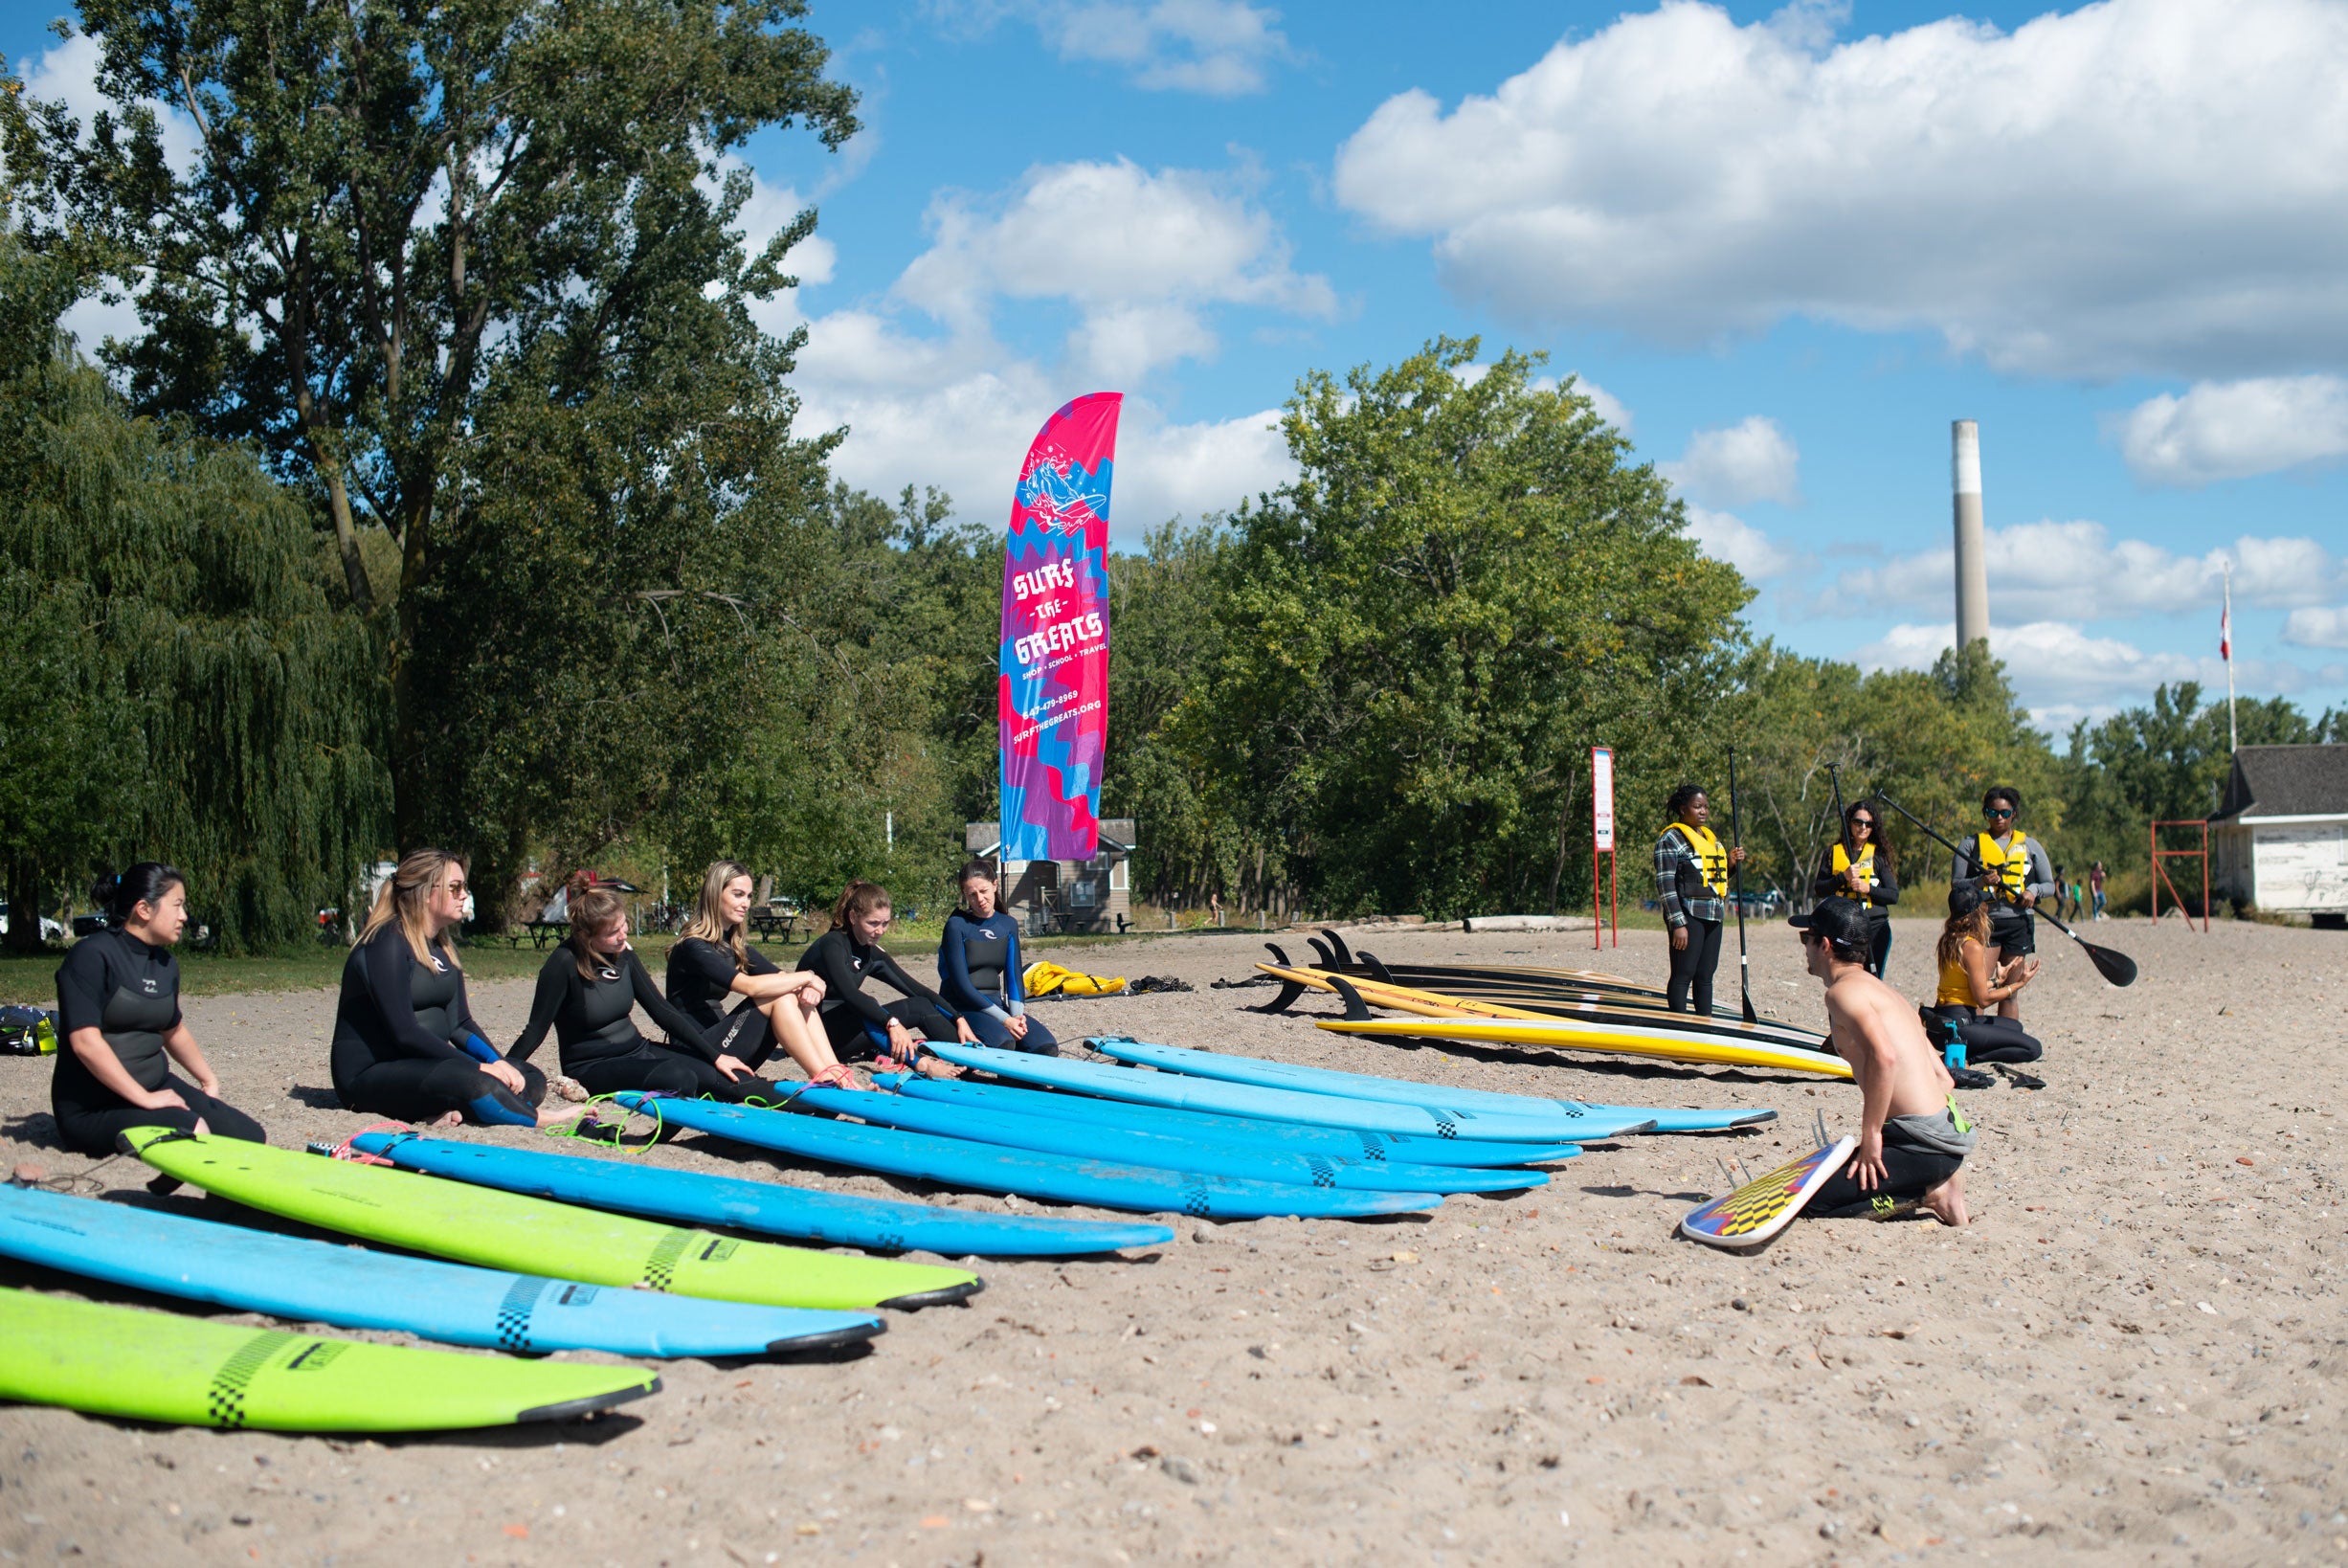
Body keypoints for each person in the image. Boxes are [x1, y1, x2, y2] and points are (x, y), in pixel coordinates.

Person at [332, 849, 571, 1129]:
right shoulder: (386, 943)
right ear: (424, 892)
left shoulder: (443, 947)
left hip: (421, 1065)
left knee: (528, 1076)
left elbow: (460, 1023)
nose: (463, 895)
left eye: (463, 887)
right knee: (473, 1079)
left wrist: (499, 1063)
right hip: (369, 1074)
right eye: (454, 888)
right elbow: (404, 1032)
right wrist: (479, 1068)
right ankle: (538, 1118)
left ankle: (461, 1105)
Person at [52, 864, 266, 1155]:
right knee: (194, 1132)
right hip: (94, 1107)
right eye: (177, 905)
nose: (184, 916)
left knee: (251, 1137)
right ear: (143, 909)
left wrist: (207, 1078)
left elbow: (172, 1028)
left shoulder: (165, 963)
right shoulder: (91, 955)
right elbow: (85, 1043)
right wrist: (144, 1098)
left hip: (155, 1086)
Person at [1787, 897, 1973, 1225]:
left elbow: (1884, 1057)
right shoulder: (1885, 993)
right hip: (1942, 1134)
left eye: (1807, 938)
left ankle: (1929, 1193)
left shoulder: (1841, 993)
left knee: (1812, 1203)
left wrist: (1873, 1136)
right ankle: (1933, 1179)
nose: (1804, 948)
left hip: (1921, 1146)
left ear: (1825, 945)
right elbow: (1945, 1079)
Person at [508, 887, 767, 1102]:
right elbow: (535, 1030)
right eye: (613, 933)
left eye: (624, 925)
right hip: (593, 1066)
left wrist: (715, 1055)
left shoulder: (624, 954)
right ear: (587, 938)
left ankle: (797, 1100)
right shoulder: (563, 963)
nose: (624, 935)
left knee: (724, 1076)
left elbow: (662, 1011)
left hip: (637, 1050)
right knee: (681, 1077)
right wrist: (504, 1069)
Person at [666, 861, 863, 1090]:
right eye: (738, 894)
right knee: (779, 996)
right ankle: (824, 1078)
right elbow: (750, 987)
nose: (746, 904)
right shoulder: (693, 946)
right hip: (697, 1052)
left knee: (789, 991)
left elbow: (782, 977)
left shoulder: (735, 946)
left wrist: (804, 987)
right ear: (714, 894)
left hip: (725, 1046)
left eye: (749, 896)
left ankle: (838, 1073)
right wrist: (808, 977)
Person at [798, 881, 974, 1079]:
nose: (880, 931)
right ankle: (922, 1063)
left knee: (920, 1004)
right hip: (813, 1036)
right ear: (853, 917)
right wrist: (891, 1023)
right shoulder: (833, 944)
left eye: (885, 923)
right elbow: (850, 994)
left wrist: (958, 1018)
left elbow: (917, 989)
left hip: (850, 1032)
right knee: (863, 1008)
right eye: (873, 923)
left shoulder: (872, 953)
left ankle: (969, 1058)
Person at [1948, 786, 2057, 1023]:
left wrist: (2033, 890)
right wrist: (1980, 881)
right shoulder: (1970, 844)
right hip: (1983, 923)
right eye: (1993, 812)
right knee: (1981, 991)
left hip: (2019, 922)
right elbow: (1956, 885)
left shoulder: (2031, 846)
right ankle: (1975, 1039)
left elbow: (2050, 885)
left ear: (2014, 814)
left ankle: (2006, 1041)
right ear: (1985, 813)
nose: (1999, 817)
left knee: (2010, 992)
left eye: (2005, 813)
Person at [1918, 884, 2044, 1081]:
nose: (1987, 910)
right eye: (1983, 906)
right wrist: (2018, 984)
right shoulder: (1972, 946)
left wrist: (1997, 981)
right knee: (2033, 1048)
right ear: (1975, 913)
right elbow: (1983, 1001)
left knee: (2014, 1027)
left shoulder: (1949, 939)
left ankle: (1959, 1054)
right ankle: (1966, 1057)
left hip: (1941, 1021)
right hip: (1958, 1026)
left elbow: (1965, 988)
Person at [936, 860, 1059, 1055]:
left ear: (995, 885)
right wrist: (1004, 1019)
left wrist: (1017, 1016)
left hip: (996, 1005)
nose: (980, 899)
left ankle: (1028, 1085)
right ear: (965, 896)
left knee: (1045, 1046)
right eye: (972, 895)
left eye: (983, 891)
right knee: (1004, 1043)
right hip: (961, 1006)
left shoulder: (1007, 924)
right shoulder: (956, 925)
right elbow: (961, 986)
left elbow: (1014, 976)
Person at [1654, 782, 1748, 1016]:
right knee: (1684, 972)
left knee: (1706, 975)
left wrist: (1731, 864)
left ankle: (1705, 1024)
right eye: (1697, 807)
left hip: (1713, 914)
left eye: (1706, 806)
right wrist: (1677, 923)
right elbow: (1665, 884)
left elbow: (1714, 880)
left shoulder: (1710, 840)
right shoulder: (1671, 839)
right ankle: (1679, 1026)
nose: (1703, 811)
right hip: (1688, 915)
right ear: (1683, 809)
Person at [1809, 800, 1899, 977]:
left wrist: (1867, 888)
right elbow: (1820, 889)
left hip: (1875, 927)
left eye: (1868, 824)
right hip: (1842, 928)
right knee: (1845, 977)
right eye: (1858, 822)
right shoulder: (1832, 854)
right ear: (1849, 822)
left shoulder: (1878, 856)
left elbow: (1893, 895)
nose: (1863, 827)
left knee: (1872, 979)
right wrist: (1843, 877)